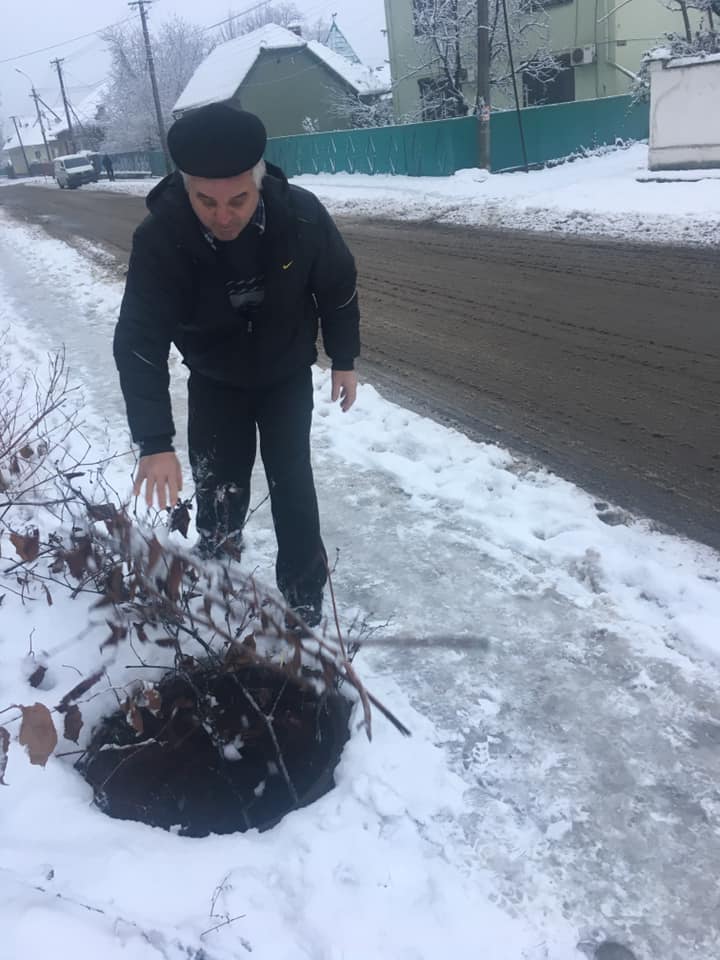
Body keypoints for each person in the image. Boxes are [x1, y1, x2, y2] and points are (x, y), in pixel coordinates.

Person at [113, 104, 360, 627]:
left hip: (286, 376)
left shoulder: (303, 216)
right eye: (206, 201)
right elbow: (139, 338)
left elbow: (337, 287)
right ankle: (218, 589)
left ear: (259, 179)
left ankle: (304, 604)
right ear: (185, 189)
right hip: (215, 380)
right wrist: (155, 441)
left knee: (294, 487)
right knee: (218, 489)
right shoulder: (160, 241)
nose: (223, 215)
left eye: (238, 200)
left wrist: (344, 359)